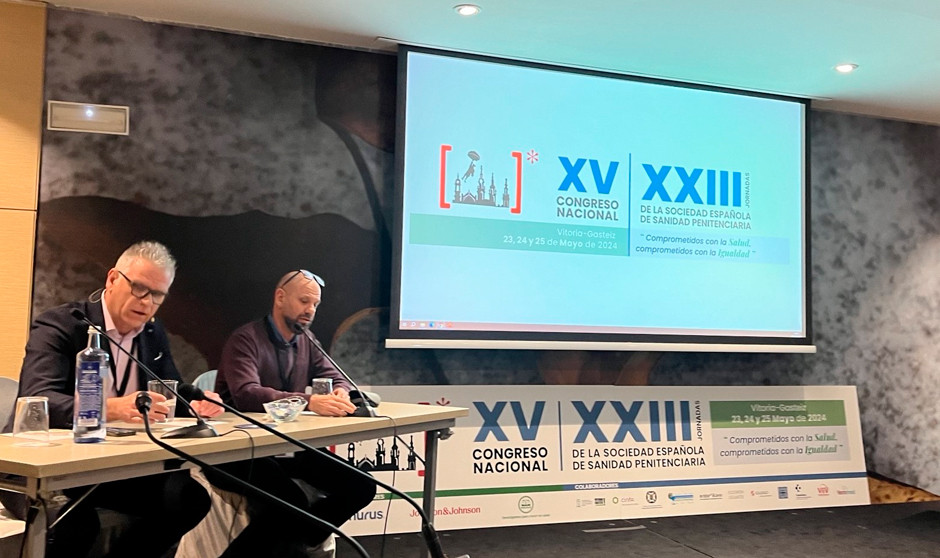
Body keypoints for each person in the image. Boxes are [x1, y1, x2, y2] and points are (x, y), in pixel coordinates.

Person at [1, 241, 224, 558]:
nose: (147, 302)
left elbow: (168, 387)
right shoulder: (61, 324)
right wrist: (109, 409)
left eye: (157, 295)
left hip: (108, 466)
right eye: (139, 288)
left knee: (188, 498)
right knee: (76, 524)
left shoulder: (151, 333)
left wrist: (195, 404)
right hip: (43, 469)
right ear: (112, 279)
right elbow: (39, 400)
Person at [212, 269, 376, 558]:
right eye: (304, 301)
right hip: (239, 450)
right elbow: (247, 394)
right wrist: (309, 401)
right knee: (290, 501)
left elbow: (336, 376)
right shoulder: (245, 339)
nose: (310, 310)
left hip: (289, 445)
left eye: (315, 304)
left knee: (362, 486)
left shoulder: (307, 339)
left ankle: (299, 540)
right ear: (280, 297)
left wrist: (340, 391)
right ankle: (292, 544)